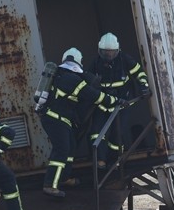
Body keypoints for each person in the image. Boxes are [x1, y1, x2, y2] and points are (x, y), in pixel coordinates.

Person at [39, 48, 118, 198]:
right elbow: (92, 95)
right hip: (55, 119)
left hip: (60, 119)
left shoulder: (62, 75)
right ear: (77, 62)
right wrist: (113, 100)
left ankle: (64, 178)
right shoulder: (71, 79)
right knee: (62, 150)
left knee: (70, 148)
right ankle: (50, 185)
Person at [87, 32, 151, 167]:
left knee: (118, 133)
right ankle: (100, 160)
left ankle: (114, 160)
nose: (108, 55)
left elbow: (139, 73)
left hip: (122, 104)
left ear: (117, 50)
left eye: (111, 52)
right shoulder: (95, 62)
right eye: (105, 52)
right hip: (103, 104)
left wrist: (144, 87)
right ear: (100, 50)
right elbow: (87, 81)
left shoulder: (125, 60)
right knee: (97, 132)